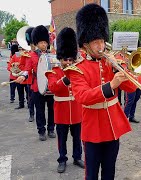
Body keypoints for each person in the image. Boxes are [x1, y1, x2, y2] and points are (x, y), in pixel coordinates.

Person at [64, 4, 136, 179]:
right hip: (93, 129)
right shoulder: (76, 69)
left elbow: (133, 87)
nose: (101, 46)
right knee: (91, 175)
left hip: (113, 126)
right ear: (85, 44)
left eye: (102, 41)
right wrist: (111, 85)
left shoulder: (110, 62)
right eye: (96, 42)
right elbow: (83, 97)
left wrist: (121, 67)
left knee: (109, 172)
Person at [45, 27, 85, 173]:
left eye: (70, 59)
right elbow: (53, 88)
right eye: (65, 59)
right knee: (62, 139)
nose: (68, 62)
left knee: (77, 137)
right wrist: (66, 79)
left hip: (76, 110)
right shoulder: (53, 71)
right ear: (60, 59)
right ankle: (62, 159)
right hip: (61, 111)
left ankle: (77, 157)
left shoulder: (78, 72)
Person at [16, 25, 56, 141]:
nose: (44, 44)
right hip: (37, 87)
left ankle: (51, 129)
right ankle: (41, 131)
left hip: (50, 87)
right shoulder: (31, 56)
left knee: (52, 110)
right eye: (41, 42)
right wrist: (23, 76)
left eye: (45, 42)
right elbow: (27, 70)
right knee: (40, 111)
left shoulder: (52, 55)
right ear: (37, 44)